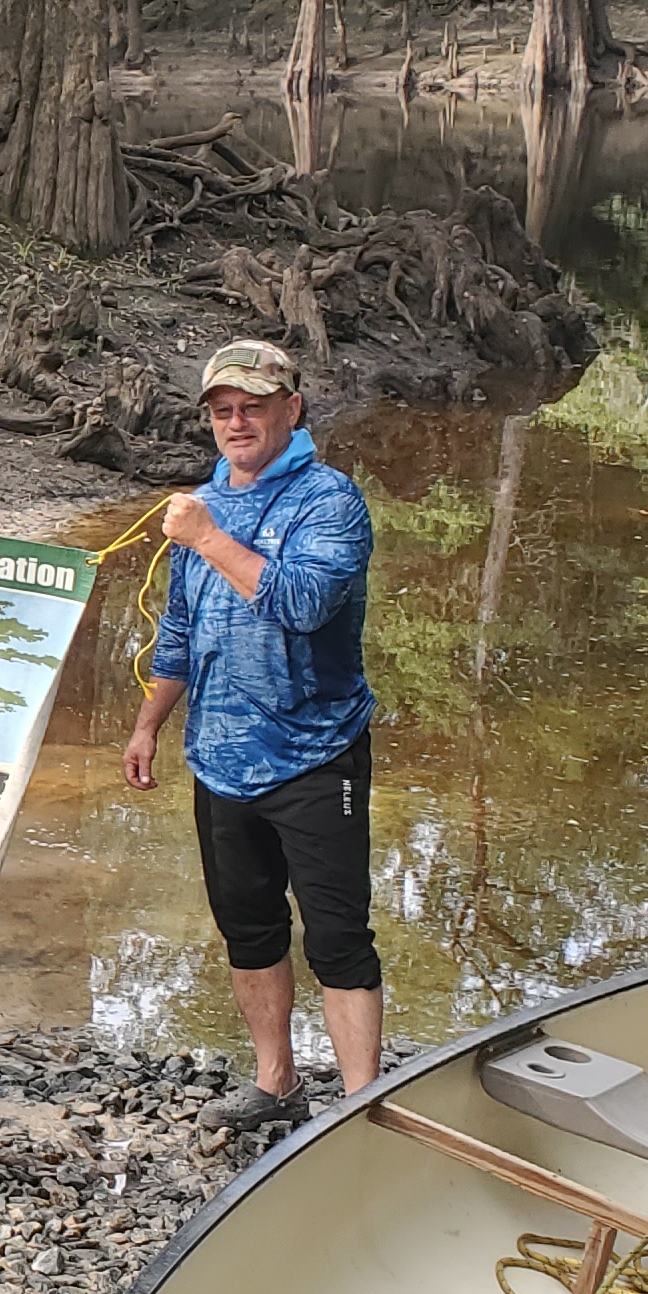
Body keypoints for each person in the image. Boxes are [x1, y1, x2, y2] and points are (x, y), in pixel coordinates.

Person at [122, 338, 382, 1131]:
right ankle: (277, 1084)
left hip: (316, 754)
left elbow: (302, 604)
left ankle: (364, 1107)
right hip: (221, 761)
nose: (237, 423)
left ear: (291, 410)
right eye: (223, 411)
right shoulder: (204, 502)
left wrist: (205, 537)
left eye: (253, 407)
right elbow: (179, 630)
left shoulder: (330, 503)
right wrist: (147, 725)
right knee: (249, 929)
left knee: (337, 937)